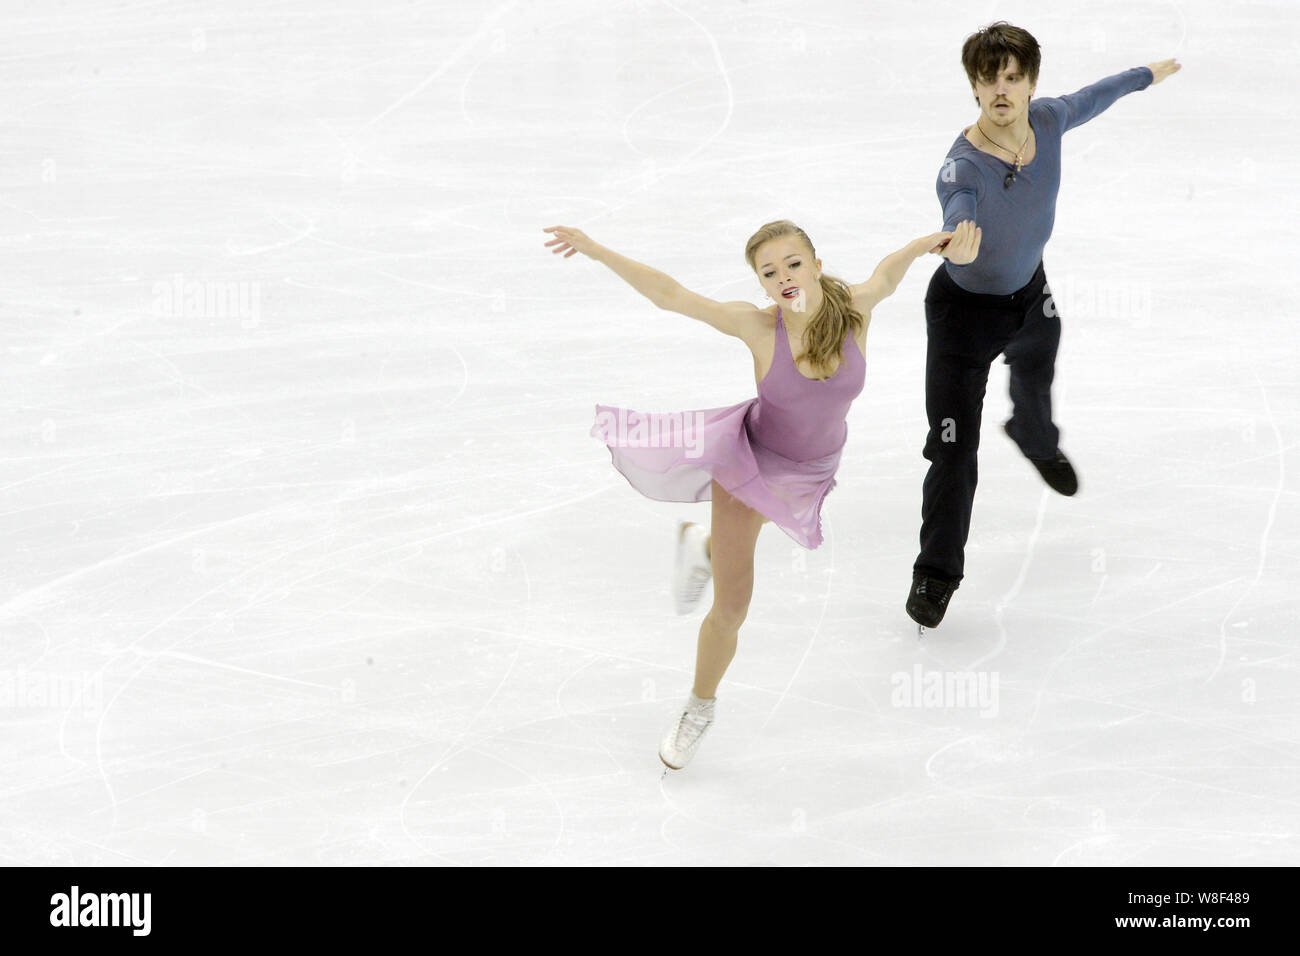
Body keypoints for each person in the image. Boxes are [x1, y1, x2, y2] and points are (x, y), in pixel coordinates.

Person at [543, 219, 961, 769]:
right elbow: (671, 296)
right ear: (761, 284)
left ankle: (704, 549)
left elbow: (890, 272)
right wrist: (596, 250)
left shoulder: (856, 309)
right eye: (769, 272)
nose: (783, 277)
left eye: (792, 263)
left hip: (813, 468)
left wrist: (923, 244)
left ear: (815, 262)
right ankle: (699, 706)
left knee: (750, 536)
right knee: (733, 606)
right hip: (750, 463)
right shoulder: (760, 328)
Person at [906, 21, 1182, 630]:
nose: (1001, 90)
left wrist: (1145, 75)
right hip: (962, 320)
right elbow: (958, 211)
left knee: (1037, 365)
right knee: (953, 449)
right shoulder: (962, 168)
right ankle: (936, 572)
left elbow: (1097, 94)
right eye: (989, 78)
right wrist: (957, 242)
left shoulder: (1050, 119)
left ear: (1030, 83)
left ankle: (1033, 435)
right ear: (974, 87)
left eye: (1013, 77)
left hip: (1033, 297)